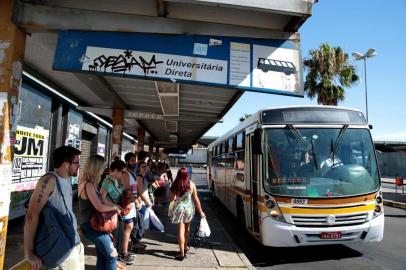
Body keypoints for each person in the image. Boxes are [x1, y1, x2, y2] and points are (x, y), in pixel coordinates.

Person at [24, 146, 84, 270]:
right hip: (59, 248)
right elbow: (31, 215)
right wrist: (28, 253)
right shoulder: (49, 180)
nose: (78, 166)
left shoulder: (67, 179)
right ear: (66, 165)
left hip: (73, 243)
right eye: (76, 163)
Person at [78, 155, 122, 270]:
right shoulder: (88, 184)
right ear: (96, 167)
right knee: (112, 256)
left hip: (96, 225)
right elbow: (99, 207)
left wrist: (114, 205)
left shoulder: (92, 183)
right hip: (91, 225)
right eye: (103, 165)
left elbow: (102, 200)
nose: (104, 168)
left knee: (103, 257)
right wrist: (114, 208)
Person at [100, 159, 135, 265]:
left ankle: (115, 261)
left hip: (117, 213)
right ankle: (110, 263)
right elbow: (101, 198)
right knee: (112, 239)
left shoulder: (118, 180)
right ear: (115, 170)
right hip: (110, 214)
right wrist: (113, 206)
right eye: (122, 172)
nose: (124, 174)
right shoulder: (107, 181)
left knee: (117, 237)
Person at [169, 167, 205, 261]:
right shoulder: (192, 184)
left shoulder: (175, 184)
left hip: (179, 209)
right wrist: (201, 212)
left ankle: (181, 254)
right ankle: (185, 247)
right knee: (187, 230)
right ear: (187, 175)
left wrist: (170, 210)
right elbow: (196, 200)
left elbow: (171, 199)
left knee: (180, 231)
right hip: (189, 209)